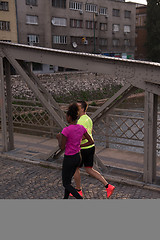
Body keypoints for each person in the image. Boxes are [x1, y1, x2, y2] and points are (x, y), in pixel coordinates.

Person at [71, 100, 115, 199]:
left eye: (77, 107)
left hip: (83, 148)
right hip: (90, 147)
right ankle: (108, 186)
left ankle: (78, 190)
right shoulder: (88, 118)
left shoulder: (81, 121)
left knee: (75, 168)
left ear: (82, 109)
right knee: (89, 169)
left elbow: (82, 136)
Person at [56, 103, 94, 199]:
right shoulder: (81, 128)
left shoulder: (66, 130)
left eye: (66, 116)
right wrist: (79, 145)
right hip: (78, 157)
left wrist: (59, 138)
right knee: (68, 181)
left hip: (69, 158)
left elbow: (62, 147)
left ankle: (80, 198)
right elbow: (90, 141)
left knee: (66, 183)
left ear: (69, 117)